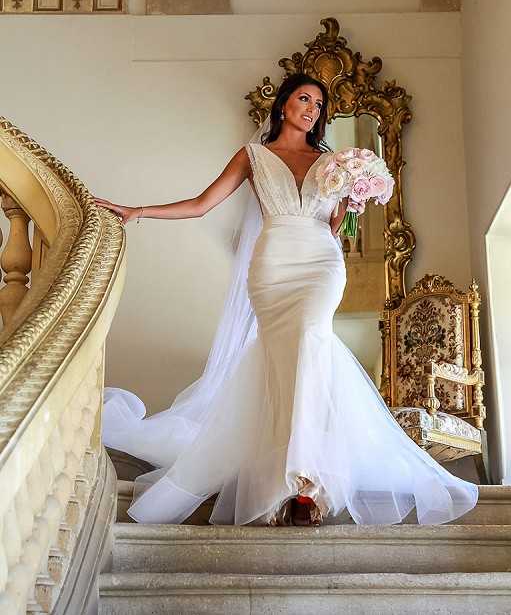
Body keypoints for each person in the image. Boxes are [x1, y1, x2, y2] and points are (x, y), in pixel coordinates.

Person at [96, 73, 478, 527]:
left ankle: (306, 483)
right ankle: (282, 484)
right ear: (282, 106)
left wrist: (350, 201)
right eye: (304, 99)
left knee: (312, 343)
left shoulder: (334, 160)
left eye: (319, 104)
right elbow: (202, 203)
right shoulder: (253, 156)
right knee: (282, 365)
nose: (313, 109)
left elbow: (333, 228)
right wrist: (138, 211)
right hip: (273, 266)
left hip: (320, 264)